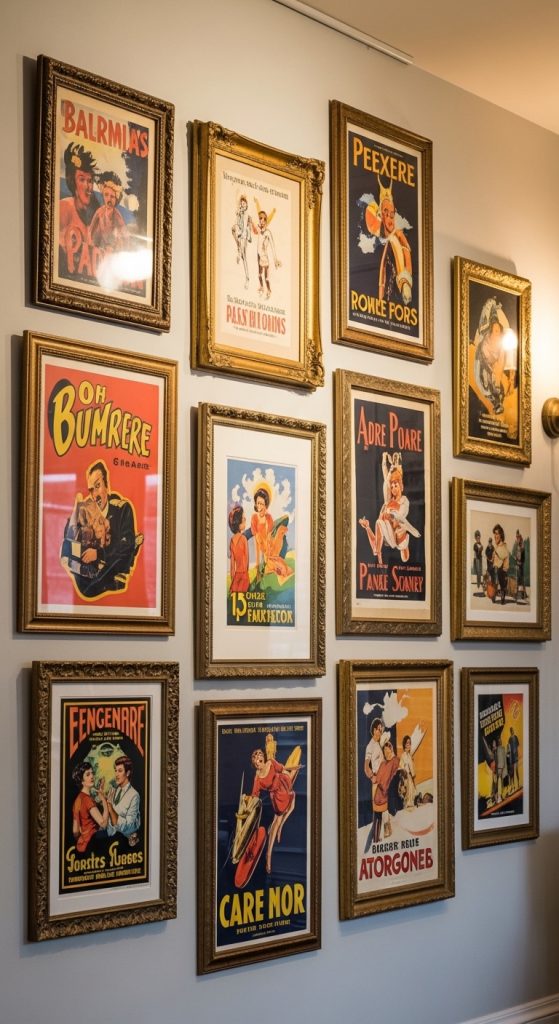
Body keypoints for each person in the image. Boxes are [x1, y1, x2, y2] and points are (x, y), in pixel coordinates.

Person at [60, 460, 143, 599]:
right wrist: (76, 512)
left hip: (111, 576)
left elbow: (124, 549)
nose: (94, 495)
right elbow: (68, 541)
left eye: (97, 486)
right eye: (91, 490)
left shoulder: (122, 509)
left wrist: (98, 554)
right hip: (88, 577)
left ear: (107, 484)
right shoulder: (87, 510)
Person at [359, 451, 420, 567]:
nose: (393, 489)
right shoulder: (388, 502)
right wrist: (384, 461)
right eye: (392, 487)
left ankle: (393, 549)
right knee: (379, 522)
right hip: (389, 534)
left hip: (397, 535)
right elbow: (386, 482)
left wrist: (393, 516)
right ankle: (378, 553)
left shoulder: (404, 501)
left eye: (395, 486)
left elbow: (401, 515)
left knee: (405, 558)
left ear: (401, 486)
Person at [250, 747, 300, 874]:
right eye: (256, 760)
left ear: (263, 758)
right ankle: (268, 855)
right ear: (255, 764)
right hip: (276, 796)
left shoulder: (271, 762)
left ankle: (280, 826)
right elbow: (254, 795)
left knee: (292, 805)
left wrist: (293, 769)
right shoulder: (257, 778)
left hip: (283, 782)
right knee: (277, 821)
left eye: (259, 756)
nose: (258, 760)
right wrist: (249, 803)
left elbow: (283, 770)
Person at [59, 143, 99, 276]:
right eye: (82, 180)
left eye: (90, 181)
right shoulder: (64, 208)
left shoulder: (97, 216)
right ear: (73, 182)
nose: (88, 187)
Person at [377, 178, 413, 306]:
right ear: (381, 215)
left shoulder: (398, 237)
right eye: (386, 213)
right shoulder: (379, 243)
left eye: (392, 214)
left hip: (395, 298)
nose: (389, 218)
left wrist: (405, 283)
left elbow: (406, 255)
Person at [250, 487, 293, 585]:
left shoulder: (269, 518)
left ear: (266, 505)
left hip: (271, 548)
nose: (259, 507)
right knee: (270, 569)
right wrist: (257, 563)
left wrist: (269, 554)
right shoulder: (254, 518)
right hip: (264, 552)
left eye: (262, 504)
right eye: (257, 503)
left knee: (281, 567)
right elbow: (256, 543)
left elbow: (270, 538)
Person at [474, 297, 506, 415]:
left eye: (499, 330)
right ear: (491, 330)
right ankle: (494, 400)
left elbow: (500, 363)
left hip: (491, 364)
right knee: (480, 380)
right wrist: (492, 305)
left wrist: (497, 377)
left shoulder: (500, 346)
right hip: (481, 358)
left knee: (492, 384)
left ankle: (497, 402)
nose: (497, 332)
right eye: (495, 330)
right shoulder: (485, 337)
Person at [72, 761, 109, 853]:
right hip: (94, 842)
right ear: (81, 780)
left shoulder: (77, 800)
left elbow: (75, 831)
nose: (92, 776)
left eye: (92, 773)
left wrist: (83, 838)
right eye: (88, 774)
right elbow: (103, 824)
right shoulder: (87, 799)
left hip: (83, 845)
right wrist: (104, 800)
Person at [89, 171, 129, 251]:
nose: (109, 199)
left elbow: (125, 236)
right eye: (106, 195)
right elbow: (91, 230)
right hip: (101, 247)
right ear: (103, 195)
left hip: (114, 249)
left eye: (112, 197)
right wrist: (91, 244)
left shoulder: (117, 215)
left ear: (116, 198)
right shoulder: (99, 212)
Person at [106, 756, 141, 847]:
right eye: (115, 770)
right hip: (110, 840)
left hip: (124, 843)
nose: (116, 774)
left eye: (120, 771)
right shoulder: (114, 791)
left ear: (128, 773)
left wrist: (110, 808)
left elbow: (129, 826)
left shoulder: (134, 795)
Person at [372, 739, 400, 842]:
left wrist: (387, 787)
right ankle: (381, 833)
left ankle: (387, 828)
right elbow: (378, 778)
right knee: (379, 811)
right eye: (384, 750)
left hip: (389, 791)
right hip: (380, 792)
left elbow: (395, 774)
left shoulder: (395, 760)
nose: (386, 752)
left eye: (387, 750)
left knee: (385, 810)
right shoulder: (383, 764)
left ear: (391, 750)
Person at [253, 206, 281, 299]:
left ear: (266, 221)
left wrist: (275, 260)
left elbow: (272, 246)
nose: (261, 221)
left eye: (263, 219)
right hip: (258, 255)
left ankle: (268, 290)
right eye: (260, 218)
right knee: (259, 275)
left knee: (266, 278)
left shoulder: (268, 232)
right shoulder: (259, 229)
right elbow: (255, 230)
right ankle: (261, 287)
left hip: (265, 257)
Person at [231, 194, 253, 288]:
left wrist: (241, 234)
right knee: (233, 228)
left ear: (246, 205)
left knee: (244, 256)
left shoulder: (246, 214)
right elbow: (237, 225)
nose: (242, 205)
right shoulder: (240, 213)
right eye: (241, 203)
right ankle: (238, 248)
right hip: (240, 232)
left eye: (244, 203)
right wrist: (238, 213)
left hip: (244, 234)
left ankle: (247, 278)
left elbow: (244, 227)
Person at [364, 718, 384, 812]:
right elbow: (366, 767)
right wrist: (372, 777)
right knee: (377, 811)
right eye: (379, 729)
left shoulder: (378, 744)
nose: (380, 732)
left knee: (383, 810)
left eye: (381, 730)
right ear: (374, 730)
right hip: (377, 781)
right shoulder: (370, 746)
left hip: (382, 781)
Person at [229, 504, 250, 593]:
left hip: (236, 577)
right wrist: (246, 575)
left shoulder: (232, 541)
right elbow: (247, 561)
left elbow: (232, 566)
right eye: (243, 519)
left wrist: (233, 581)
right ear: (238, 522)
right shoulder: (243, 539)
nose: (245, 519)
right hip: (244, 575)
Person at [492, 524, 510, 605]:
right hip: (497, 570)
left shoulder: (503, 546)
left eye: (497, 534)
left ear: (501, 535)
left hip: (502, 570)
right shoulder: (497, 546)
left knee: (502, 584)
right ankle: (494, 595)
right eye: (494, 534)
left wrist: (504, 568)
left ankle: (501, 597)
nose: (495, 536)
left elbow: (504, 556)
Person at [399, 735, 417, 809]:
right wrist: (405, 774)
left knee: (412, 794)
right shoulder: (403, 755)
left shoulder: (409, 755)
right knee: (407, 796)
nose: (409, 745)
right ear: (404, 744)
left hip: (410, 778)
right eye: (407, 743)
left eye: (409, 743)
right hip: (406, 778)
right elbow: (401, 767)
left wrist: (412, 776)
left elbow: (412, 768)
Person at [513, 530, 527, 602]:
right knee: (518, 579)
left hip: (521, 564)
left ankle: (522, 595)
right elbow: (517, 555)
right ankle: (519, 594)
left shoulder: (522, 546)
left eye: (517, 537)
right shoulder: (518, 545)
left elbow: (523, 556)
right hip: (518, 564)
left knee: (520, 579)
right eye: (516, 537)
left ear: (519, 537)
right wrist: (516, 559)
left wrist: (521, 562)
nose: (517, 539)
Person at [507, 726, 520, 792]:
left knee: (517, 770)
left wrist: (518, 754)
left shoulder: (516, 737)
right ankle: (514, 786)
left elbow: (518, 747)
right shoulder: (509, 739)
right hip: (512, 758)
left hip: (516, 757)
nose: (512, 731)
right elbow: (509, 749)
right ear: (510, 732)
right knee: (513, 772)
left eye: (513, 730)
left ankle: (518, 783)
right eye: (511, 731)